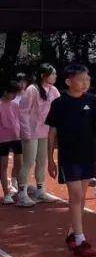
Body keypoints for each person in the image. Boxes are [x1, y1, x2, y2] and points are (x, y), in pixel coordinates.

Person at [45, 63, 96, 257]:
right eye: (81, 79)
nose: (85, 83)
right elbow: (52, 133)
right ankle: (80, 239)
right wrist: (50, 159)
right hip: (68, 156)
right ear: (69, 81)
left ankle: (71, 233)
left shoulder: (93, 101)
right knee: (75, 196)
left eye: (87, 79)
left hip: (88, 154)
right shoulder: (59, 104)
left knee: (82, 197)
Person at [19, 63, 59, 203]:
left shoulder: (53, 90)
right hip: (31, 131)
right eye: (53, 73)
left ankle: (40, 190)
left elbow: (59, 108)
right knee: (28, 162)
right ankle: (22, 194)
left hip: (46, 132)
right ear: (44, 75)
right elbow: (23, 112)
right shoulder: (32, 89)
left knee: (42, 161)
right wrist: (26, 132)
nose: (55, 76)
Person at [1, 81, 24, 205]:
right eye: (12, 93)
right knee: (3, 166)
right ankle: (6, 194)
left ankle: (19, 189)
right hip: (2, 140)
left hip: (16, 138)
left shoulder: (15, 105)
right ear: (5, 92)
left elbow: (19, 120)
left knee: (19, 163)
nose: (14, 96)